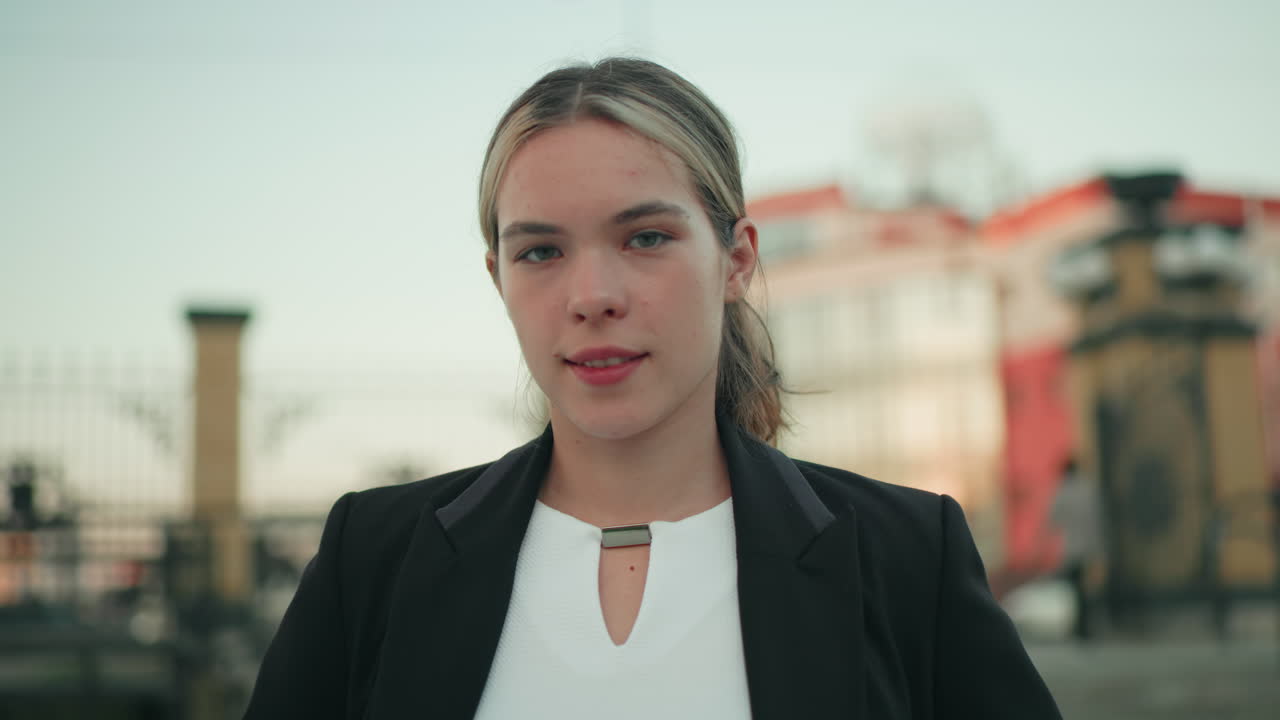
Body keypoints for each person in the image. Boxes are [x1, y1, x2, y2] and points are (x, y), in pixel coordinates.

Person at [244, 57, 1061, 719]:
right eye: (540, 251)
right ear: (498, 279)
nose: (592, 293)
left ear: (736, 258)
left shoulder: (906, 555)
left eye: (644, 237)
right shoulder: (374, 557)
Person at [1050, 456, 1101, 641]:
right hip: (1088, 548)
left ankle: (1080, 628)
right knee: (1085, 590)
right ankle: (1086, 627)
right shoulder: (1088, 490)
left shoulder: (1064, 491)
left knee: (1075, 591)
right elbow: (1097, 520)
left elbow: (1053, 520)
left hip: (1072, 549)